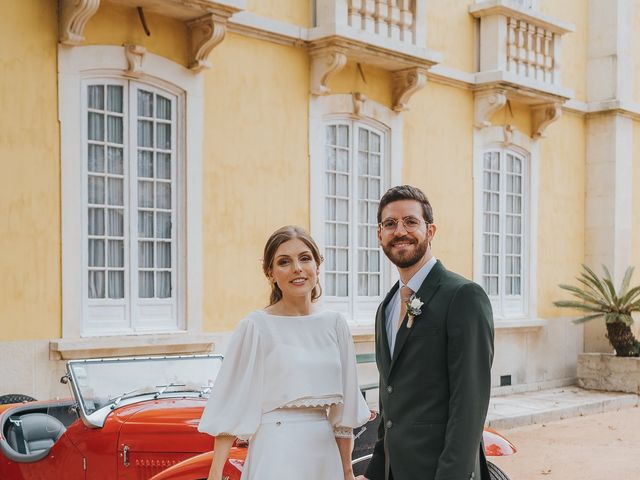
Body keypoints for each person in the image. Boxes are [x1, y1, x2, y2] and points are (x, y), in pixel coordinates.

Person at [198, 225, 371, 480]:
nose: (297, 269)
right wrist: (215, 473)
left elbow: (344, 417)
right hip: (275, 453)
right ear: (270, 273)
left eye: (304, 258)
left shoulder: (335, 324)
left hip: (324, 455)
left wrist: (346, 471)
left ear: (317, 266)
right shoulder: (255, 327)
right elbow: (232, 402)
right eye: (284, 262)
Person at [357, 185, 494, 480]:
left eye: (410, 221)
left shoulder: (463, 296)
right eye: (390, 224)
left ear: (430, 231)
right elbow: (389, 400)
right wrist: (376, 471)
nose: (400, 231)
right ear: (379, 235)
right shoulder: (387, 308)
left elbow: (469, 404)